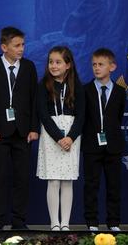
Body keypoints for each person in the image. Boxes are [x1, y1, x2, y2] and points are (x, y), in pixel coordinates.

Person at [0, 27, 39, 230]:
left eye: (23, 45)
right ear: (4, 47)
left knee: (22, 178)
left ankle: (19, 221)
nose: (21, 49)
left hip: (23, 132)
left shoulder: (29, 67)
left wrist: (34, 128)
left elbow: (35, 100)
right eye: (17, 45)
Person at [36, 46, 84, 231]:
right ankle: (54, 223)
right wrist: (58, 137)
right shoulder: (43, 85)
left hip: (72, 136)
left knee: (67, 180)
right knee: (54, 180)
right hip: (51, 136)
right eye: (50, 62)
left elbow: (81, 116)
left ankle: (65, 223)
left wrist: (70, 137)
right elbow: (43, 114)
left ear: (68, 65)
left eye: (58, 62)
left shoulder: (77, 87)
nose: (53, 66)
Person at [82, 48, 126, 232]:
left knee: (113, 186)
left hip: (113, 146)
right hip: (92, 145)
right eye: (94, 64)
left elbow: (117, 117)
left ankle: (114, 223)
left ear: (112, 67)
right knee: (91, 185)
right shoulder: (85, 90)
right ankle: (92, 223)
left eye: (101, 64)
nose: (96, 68)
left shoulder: (119, 92)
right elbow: (84, 118)